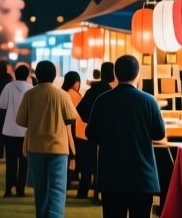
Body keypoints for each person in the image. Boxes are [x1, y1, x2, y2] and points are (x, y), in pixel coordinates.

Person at [84, 55, 165, 218]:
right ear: (137, 74)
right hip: (142, 177)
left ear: (115, 74)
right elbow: (159, 133)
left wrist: (108, 139)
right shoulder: (149, 101)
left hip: (111, 176)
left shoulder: (103, 100)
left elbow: (90, 133)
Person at [16, 60, 77, 218]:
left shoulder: (30, 94)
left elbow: (20, 120)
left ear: (36, 75)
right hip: (58, 148)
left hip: (36, 148)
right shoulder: (62, 95)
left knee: (40, 190)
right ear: (54, 76)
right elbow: (72, 116)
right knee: (57, 189)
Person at [74, 62, 114, 199]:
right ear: (113, 75)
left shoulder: (92, 90)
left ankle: (82, 192)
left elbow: (78, 110)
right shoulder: (110, 92)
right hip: (106, 135)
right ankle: (98, 193)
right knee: (102, 164)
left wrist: (90, 120)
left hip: (90, 133)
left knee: (87, 165)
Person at [0, 63, 33, 196]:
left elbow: (2, 105)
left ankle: (8, 189)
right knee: (24, 162)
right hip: (25, 131)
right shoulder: (31, 88)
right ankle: (21, 190)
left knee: (10, 162)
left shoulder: (9, 86)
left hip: (9, 130)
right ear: (27, 76)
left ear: (15, 75)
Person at [62, 72, 83, 183]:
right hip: (74, 128)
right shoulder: (73, 94)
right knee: (73, 154)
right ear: (75, 82)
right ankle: (72, 177)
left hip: (62, 130)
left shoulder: (62, 93)